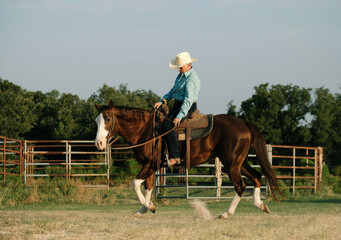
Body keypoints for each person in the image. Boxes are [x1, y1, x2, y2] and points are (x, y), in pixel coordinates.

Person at [154, 51, 201, 167]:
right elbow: (173, 91)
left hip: (186, 106)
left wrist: (179, 116)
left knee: (168, 125)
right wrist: (162, 101)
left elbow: (188, 100)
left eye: (180, 67)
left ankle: (175, 156)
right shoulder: (181, 76)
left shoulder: (192, 79)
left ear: (188, 65)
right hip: (177, 104)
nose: (178, 69)